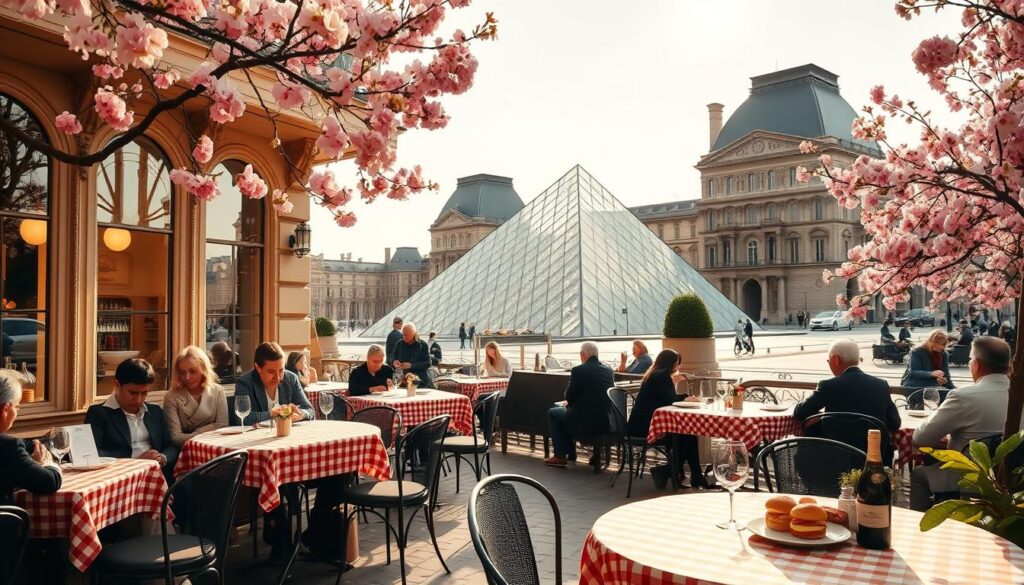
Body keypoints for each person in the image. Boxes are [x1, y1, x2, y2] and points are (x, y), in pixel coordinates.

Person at [910, 337, 1013, 510]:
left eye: (971, 360)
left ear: (977, 364)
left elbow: (921, 438)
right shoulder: (1017, 395)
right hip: (1015, 479)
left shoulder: (964, 396)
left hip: (968, 480)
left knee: (919, 475)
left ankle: (923, 531)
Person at [794, 340, 901, 465]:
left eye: (829, 361)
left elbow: (800, 413)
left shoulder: (829, 385)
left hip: (833, 462)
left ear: (836, 359)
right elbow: (895, 422)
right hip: (873, 461)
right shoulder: (881, 385)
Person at [84, 358, 179, 484]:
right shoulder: (99, 413)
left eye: (144, 393)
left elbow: (171, 446)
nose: (139, 400)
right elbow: (92, 455)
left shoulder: (155, 411)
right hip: (120, 480)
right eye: (133, 393)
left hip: (157, 478)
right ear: (117, 385)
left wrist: (162, 458)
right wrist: (135, 461)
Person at [626, 349, 705, 488]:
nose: (678, 367)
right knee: (688, 435)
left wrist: (676, 388)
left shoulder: (654, 374)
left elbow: (663, 398)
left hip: (638, 425)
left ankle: (676, 473)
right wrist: (687, 398)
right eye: (676, 364)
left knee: (687, 435)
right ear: (671, 364)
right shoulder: (661, 376)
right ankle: (679, 473)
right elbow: (670, 400)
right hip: (647, 428)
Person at [544, 342, 614, 467]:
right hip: (605, 419)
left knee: (553, 412)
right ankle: (575, 453)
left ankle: (560, 455)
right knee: (563, 412)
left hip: (584, 419)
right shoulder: (608, 371)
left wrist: (570, 402)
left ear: (582, 354)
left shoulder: (578, 370)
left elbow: (568, 396)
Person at [0, 372, 61, 504]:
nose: (17, 413)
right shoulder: (9, 447)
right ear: (6, 409)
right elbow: (50, 482)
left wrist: (28, 464)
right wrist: (47, 463)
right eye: (17, 407)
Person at [163, 346, 228, 447]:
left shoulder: (217, 391)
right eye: (182, 373)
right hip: (187, 452)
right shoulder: (171, 397)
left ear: (203, 369)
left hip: (216, 447)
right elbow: (175, 438)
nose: (187, 377)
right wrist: (204, 431)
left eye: (192, 371)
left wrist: (197, 432)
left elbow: (223, 426)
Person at [234, 342, 315, 423]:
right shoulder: (245, 383)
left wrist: (301, 414)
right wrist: (276, 413)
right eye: (271, 372)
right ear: (258, 367)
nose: (277, 377)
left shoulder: (291, 379)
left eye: (281, 370)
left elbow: (310, 410)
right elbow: (242, 418)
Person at [901, 329, 956, 397]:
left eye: (944, 345)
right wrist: (931, 374)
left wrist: (947, 383)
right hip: (914, 384)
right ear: (931, 341)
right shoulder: (917, 351)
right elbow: (913, 372)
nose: (942, 347)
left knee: (947, 396)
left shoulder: (944, 354)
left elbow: (946, 375)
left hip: (933, 385)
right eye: (939, 344)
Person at [392, 322, 434, 388]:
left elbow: (428, 363)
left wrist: (411, 365)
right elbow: (392, 359)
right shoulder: (399, 344)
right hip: (404, 381)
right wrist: (394, 362)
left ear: (413, 334)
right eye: (403, 335)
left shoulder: (423, 345)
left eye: (406, 335)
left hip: (420, 381)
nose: (403, 337)